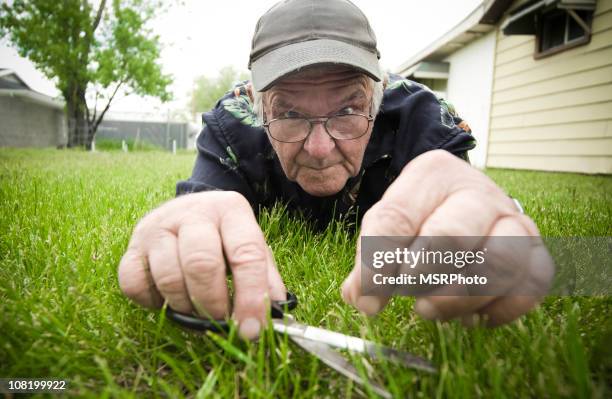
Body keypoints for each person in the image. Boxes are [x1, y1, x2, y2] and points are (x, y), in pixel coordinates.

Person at [118, 0, 553, 339]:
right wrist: (182, 231)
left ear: (380, 93)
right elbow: (201, 211)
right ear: (254, 101)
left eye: (348, 108)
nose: (321, 149)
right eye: (288, 113)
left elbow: (481, 227)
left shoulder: (422, 120)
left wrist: (513, 246)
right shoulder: (232, 124)